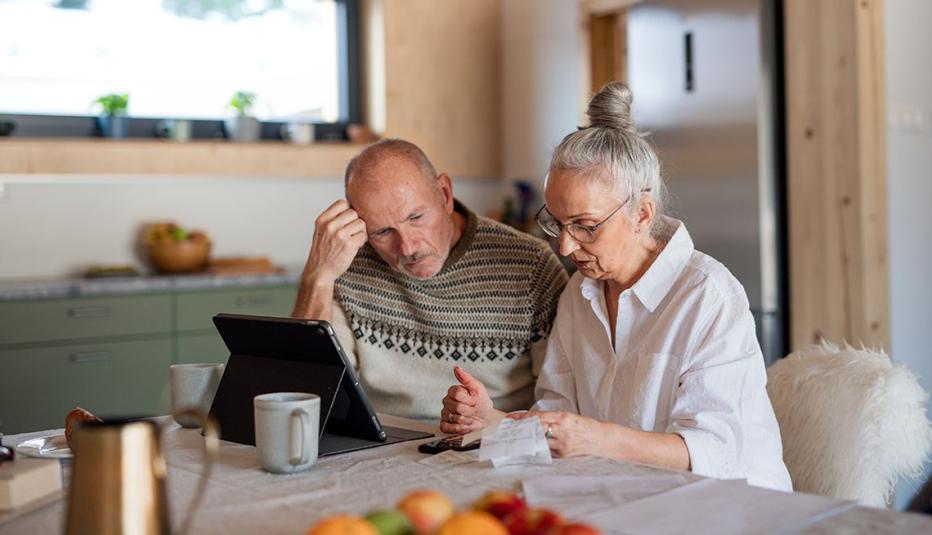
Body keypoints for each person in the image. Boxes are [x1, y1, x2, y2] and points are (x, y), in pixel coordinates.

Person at [440, 82, 792, 491]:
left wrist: (596, 439)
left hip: (735, 505)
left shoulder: (708, 296)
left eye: (586, 226)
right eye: (556, 223)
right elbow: (558, 422)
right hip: (630, 494)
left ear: (642, 214)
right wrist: (492, 422)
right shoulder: (579, 294)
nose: (566, 246)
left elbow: (714, 452)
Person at [292, 138, 568, 420]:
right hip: (383, 441)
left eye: (416, 217)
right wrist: (318, 276)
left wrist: (495, 423)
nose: (407, 247)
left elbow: (561, 406)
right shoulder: (347, 262)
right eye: (383, 232)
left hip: (494, 439)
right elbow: (308, 394)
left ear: (445, 194)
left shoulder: (531, 265)